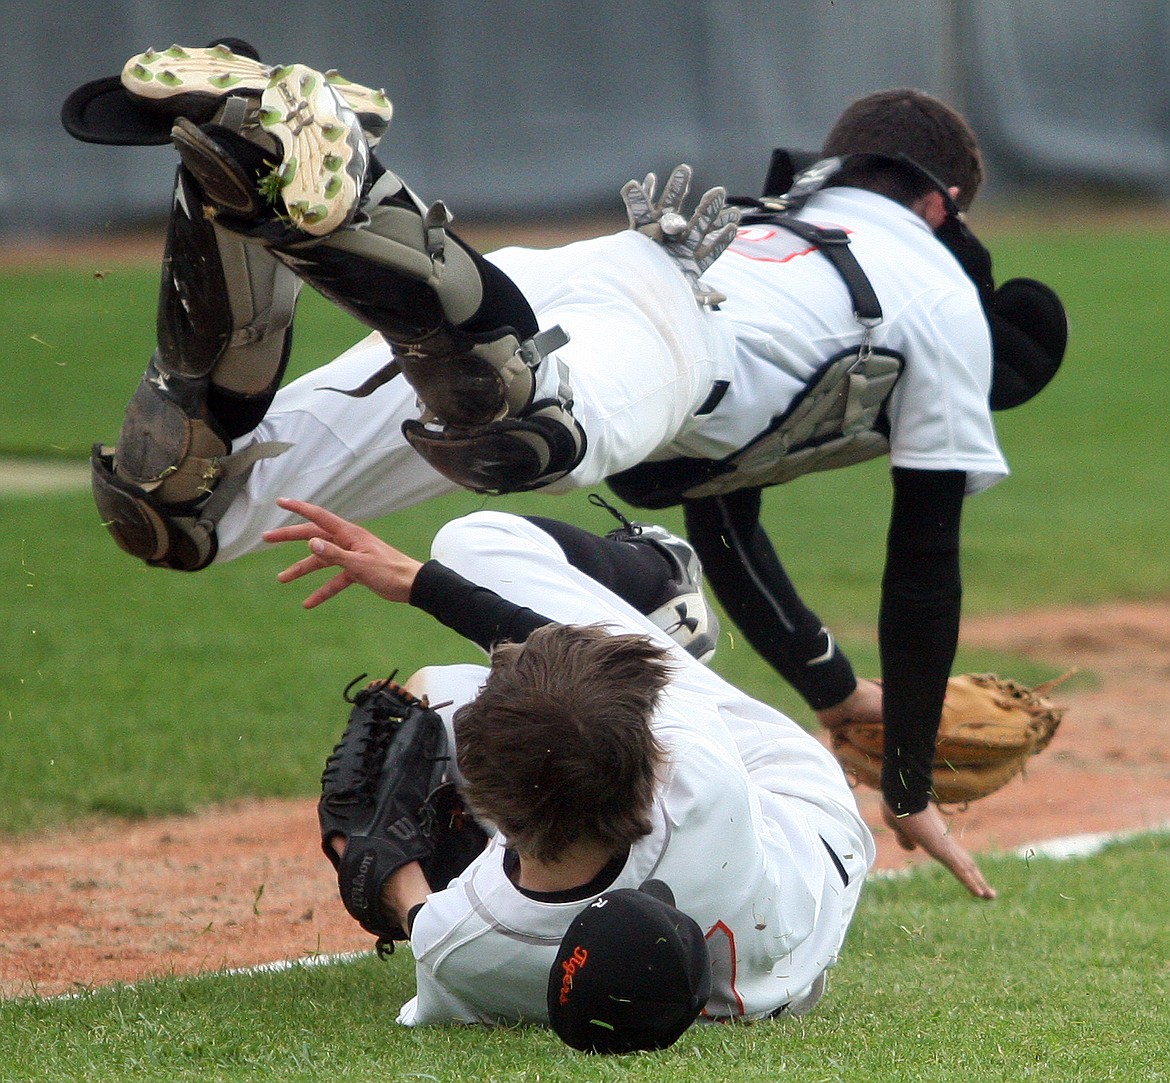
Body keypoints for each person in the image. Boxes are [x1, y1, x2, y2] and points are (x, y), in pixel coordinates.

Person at [62, 42, 1067, 897]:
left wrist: (837, 692)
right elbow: (925, 558)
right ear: (946, 207)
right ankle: (358, 181)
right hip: (650, 332)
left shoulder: (785, 229)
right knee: (519, 427)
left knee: (183, 506)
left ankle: (243, 159)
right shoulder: (938, 292)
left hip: (565, 277)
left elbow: (725, 519)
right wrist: (906, 783)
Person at [261, 496, 875, 1041]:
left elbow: (421, 917)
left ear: (485, 800)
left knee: (436, 694)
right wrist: (422, 584)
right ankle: (663, 583)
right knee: (472, 543)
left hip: (774, 956)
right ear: (646, 758)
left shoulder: (463, 947)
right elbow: (600, 662)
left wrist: (371, 856)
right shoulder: (694, 764)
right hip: (806, 833)